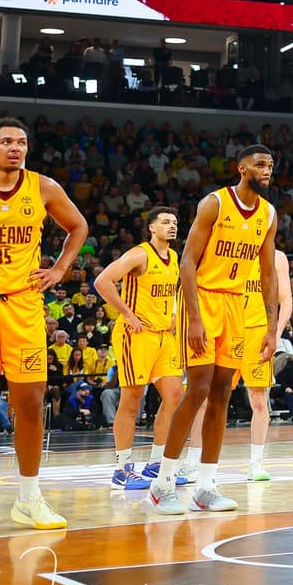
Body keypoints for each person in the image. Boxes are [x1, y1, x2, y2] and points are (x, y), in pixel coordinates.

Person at [0, 118, 92, 535]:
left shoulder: (43, 187)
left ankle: (29, 499)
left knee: (29, 402)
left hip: (24, 305)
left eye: (22, 142)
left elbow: (78, 226)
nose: (15, 148)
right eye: (6, 141)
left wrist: (59, 269)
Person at [148, 143, 281, 516]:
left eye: (271, 165)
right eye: (260, 164)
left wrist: (271, 328)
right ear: (242, 168)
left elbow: (268, 274)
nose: (267, 170)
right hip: (204, 300)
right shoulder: (215, 203)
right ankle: (163, 483)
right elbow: (187, 263)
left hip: (237, 305)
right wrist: (193, 318)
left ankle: (205, 486)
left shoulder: (269, 214)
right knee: (199, 390)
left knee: (223, 393)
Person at [92, 205, 188, 489]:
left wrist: (173, 315)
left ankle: (157, 462)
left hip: (163, 335)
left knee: (175, 397)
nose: (172, 226)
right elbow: (102, 281)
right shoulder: (140, 254)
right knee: (132, 401)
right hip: (136, 334)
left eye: (175, 222)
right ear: (152, 228)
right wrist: (128, 314)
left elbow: (168, 293)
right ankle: (122, 468)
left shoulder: (173, 257)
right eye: (166, 222)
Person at [234, 237, 293, 480]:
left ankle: (256, 463)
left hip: (258, 333)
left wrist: (275, 334)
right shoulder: (230, 251)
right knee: (210, 398)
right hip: (229, 329)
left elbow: (286, 301)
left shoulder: (277, 257)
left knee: (259, 400)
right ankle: (195, 463)